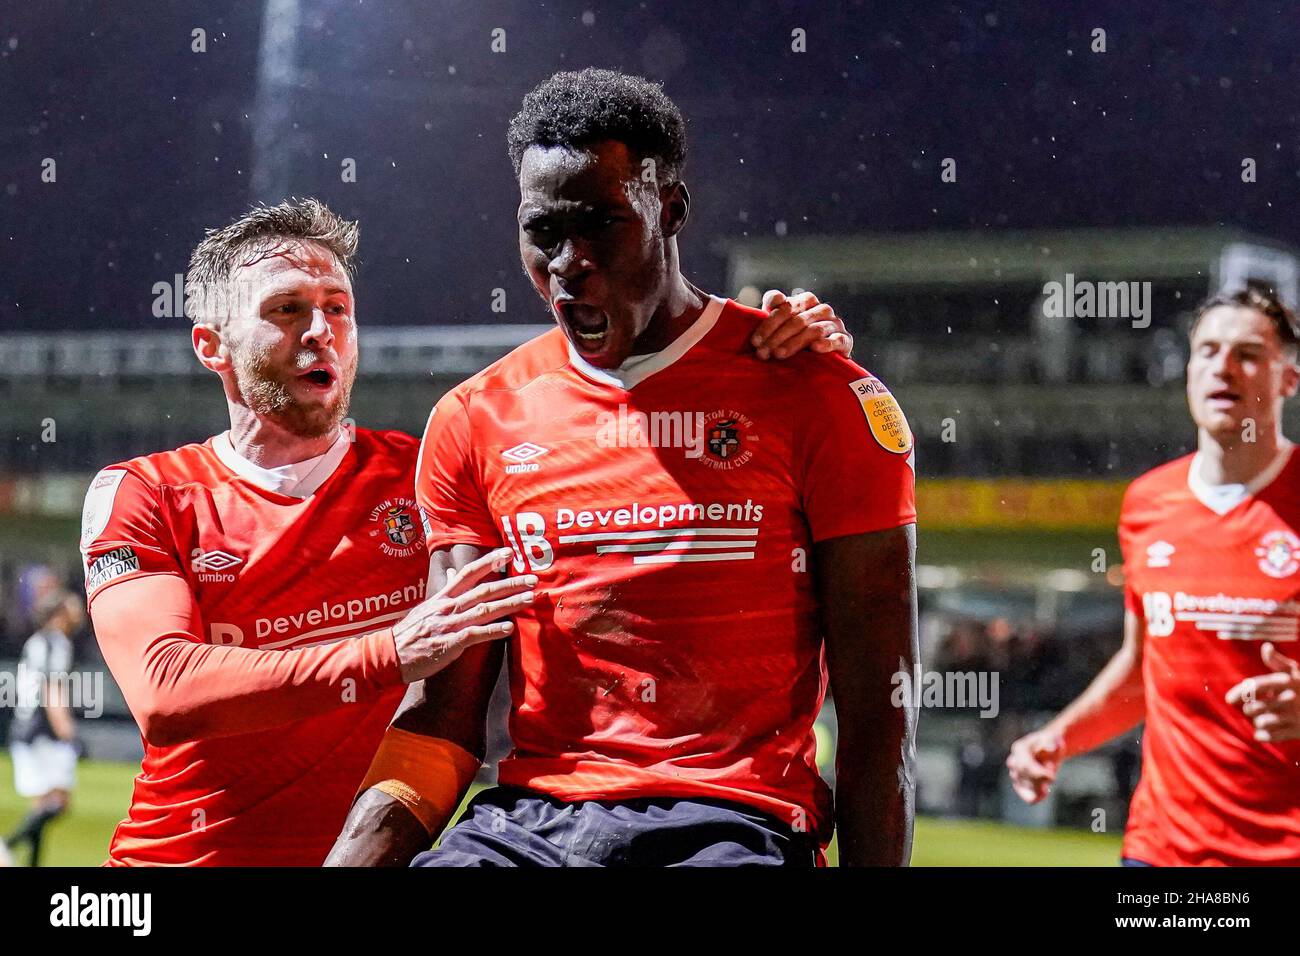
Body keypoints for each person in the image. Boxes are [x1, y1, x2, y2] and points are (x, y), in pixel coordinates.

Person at [82, 197, 856, 866]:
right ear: (211, 344)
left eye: (338, 308)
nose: (321, 330)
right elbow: (165, 690)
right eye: (286, 310)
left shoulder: (431, 473)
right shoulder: (145, 493)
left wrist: (772, 357)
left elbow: (624, 484)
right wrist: (393, 651)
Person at [328, 68, 919, 868]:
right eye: (543, 231)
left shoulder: (818, 396)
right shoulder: (476, 418)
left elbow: (882, 709)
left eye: (602, 223)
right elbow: (442, 716)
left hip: (731, 825)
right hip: (529, 826)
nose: (568, 262)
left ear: (670, 208)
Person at [1007, 286, 1300, 866]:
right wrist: (1057, 737)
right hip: (1161, 849)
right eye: (1207, 351)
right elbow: (1142, 668)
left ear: (1288, 378)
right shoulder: (1148, 503)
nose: (1223, 367)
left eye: (1247, 354)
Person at [1, 590, 84, 866]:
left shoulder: (37, 640)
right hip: (42, 732)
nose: (78, 611)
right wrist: (67, 731)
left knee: (41, 806)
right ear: (58, 614)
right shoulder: (57, 642)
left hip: (25, 728)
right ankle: (6, 846)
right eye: (71, 607)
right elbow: (52, 688)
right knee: (58, 802)